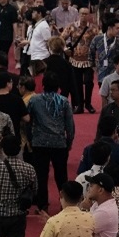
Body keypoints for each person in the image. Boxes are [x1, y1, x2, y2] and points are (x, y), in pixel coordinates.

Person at [28, 74, 76, 212]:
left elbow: (28, 121)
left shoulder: (34, 100)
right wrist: (69, 141)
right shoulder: (64, 101)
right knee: (61, 175)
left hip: (39, 142)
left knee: (41, 176)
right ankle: (65, 203)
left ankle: (42, 205)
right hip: (59, 143)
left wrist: (31, 138)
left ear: (43, 86)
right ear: (58, 87)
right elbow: (70, 125)